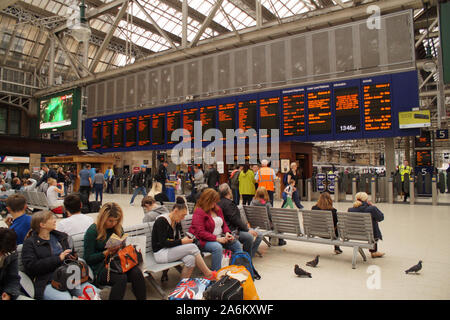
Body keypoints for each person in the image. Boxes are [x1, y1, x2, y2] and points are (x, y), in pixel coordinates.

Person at [21, 211, 100, 300]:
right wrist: (58, 259)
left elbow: (69, 257)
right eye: (51, 219)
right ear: (42, 225)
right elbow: (31, 266)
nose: (54, 220)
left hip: (70, 277)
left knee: (93, 293)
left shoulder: (61, 237)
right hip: (48, 281)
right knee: (64, 298)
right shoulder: (30, 243)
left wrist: (72, 257)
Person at [83, 202, 147, 300]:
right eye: (110, 221)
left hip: (118, 263)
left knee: (136, 272)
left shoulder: (117, 228)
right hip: (101, 268)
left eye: (116, 221)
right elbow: (88, 258)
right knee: (122, 278)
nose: (113, 224)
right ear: (103, 218)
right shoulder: (92, 231)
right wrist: (105, 253)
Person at [152, 197, 216, 280]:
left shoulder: (176, 221)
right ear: (175, 211)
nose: (183, 218)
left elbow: (176, 240)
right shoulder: (161, 221)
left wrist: (185, 240)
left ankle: (182, 286)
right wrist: (182, 241)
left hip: (170, 250)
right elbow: (164, 242)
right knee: (192, 247)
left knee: (191, 259)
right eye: (182, 215)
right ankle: (208, 274)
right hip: (160, 253)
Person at [189, 188, 242, 271]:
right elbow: (200, 232)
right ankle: (216, 273)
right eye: (213, 202)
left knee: (236, 244)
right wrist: (217, 239)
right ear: (207, 201)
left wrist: (227, 233)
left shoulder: (217, 209)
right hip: (203, 240)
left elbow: (223, 223)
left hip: (219, 237)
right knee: (217, 247)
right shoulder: (199, 212)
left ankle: (236, 269)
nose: (215, 204)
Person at [217, 184, 262, 258]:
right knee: (256, 235)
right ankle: (247, 258)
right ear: (229, 192)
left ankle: (246, 257)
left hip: (229, 229)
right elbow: (235, 220)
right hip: (232, 231)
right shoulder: (228, 204)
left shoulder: (219, 202)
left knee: (254, 235)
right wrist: (247, 229)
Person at [348, 192, 385, 258]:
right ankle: (374, 252)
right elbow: (381, 217)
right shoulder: (371, 208)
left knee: (371, 225)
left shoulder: (350, 210)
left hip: (355, 233)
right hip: (370, 234)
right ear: (366, 200)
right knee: (373, 225)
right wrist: (372, 206)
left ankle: (374, 251)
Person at [0, 228, 32, 300]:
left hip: (5, 293)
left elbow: (13, 278)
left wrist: (8, 293)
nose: (1, 254)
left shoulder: (11, 253)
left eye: (3, 252)